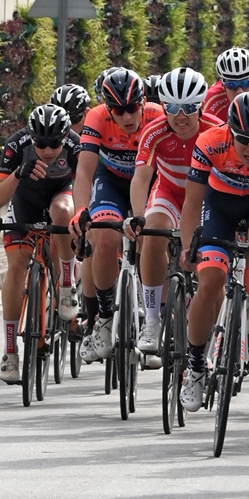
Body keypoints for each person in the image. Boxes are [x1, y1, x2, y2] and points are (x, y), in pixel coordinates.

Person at [179, 92, 249, 410]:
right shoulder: (209, 142)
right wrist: (187, 246)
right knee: (209, 283)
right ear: (230, 132)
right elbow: (193, 203)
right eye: (244, 140)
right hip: (219, 208)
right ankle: (194, 365)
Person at [70, 69, 163, 363]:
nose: (127, 117)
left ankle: (154, 320)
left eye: (132, 108)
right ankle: (106, 318)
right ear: (108, 109)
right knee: (105, 238)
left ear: (143, 102)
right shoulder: (97, 118)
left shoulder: (158, 115)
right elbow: (84, 171)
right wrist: (81, 210)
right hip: (110, 181)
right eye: (118, 110)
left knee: (152, 239)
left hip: (148, 181)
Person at [0, 104, 79, 383]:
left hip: (61, 197)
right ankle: (10, 352)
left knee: (63, 212)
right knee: (16, 268)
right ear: (31, 136)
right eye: (41, 143)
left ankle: (66, 285)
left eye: (55, 143)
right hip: (24, 203)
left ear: (66, 137)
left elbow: (88, 185)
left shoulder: (76, 146)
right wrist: (18, 173)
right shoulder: (17, 144)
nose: (49, 150)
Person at [125, 67, 212, 358]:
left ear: (200, 105)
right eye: (172, 108)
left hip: (204, 199)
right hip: (170, 193)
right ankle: (152, 319)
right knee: (152, 231)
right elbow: (140, 178)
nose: (181, 116)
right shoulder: (155, 132)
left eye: (189, 107)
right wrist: (138, 216)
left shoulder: (214, 130)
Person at [202, 47, 249, 125]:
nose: (240, 91)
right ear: (223, 85)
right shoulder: (211, 100)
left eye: (245, 83)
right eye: (232, 85)